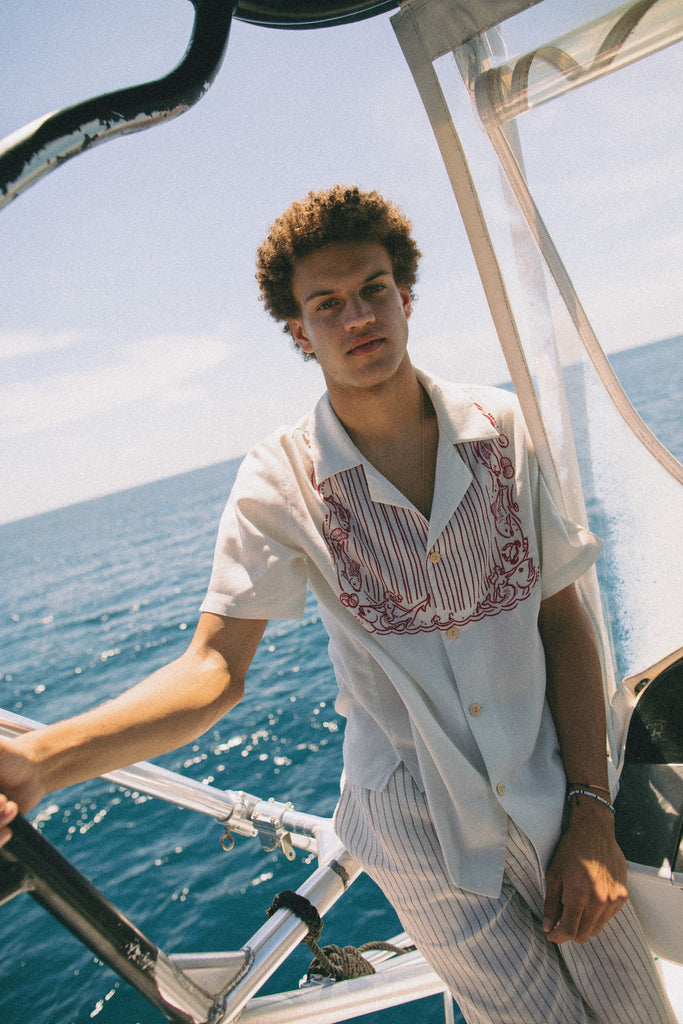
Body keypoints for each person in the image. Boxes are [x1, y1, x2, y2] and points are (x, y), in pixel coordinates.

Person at [0, 186, 676, 1024]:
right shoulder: (281, 480)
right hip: (416, 826)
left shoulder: (500, 429)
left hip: (550, 794)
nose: (357, 316)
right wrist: (43, 761)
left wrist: (591, 812)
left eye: (374, 289)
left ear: (405, 295)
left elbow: (562, 624)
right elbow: (213, 668)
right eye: (327, 304)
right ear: (297, 330)